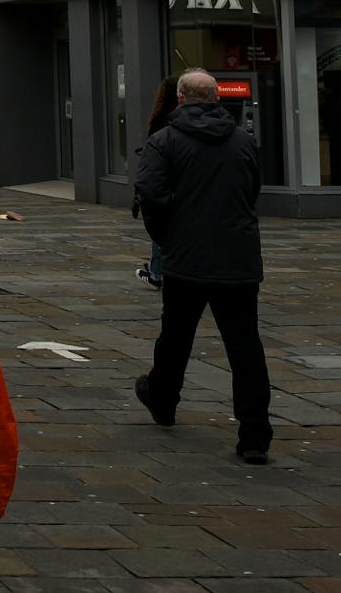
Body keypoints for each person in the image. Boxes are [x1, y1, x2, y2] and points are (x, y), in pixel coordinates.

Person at [133, 68, 272, 464]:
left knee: (176, 336)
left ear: (180, 98)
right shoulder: (243, 140)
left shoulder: (165, 140)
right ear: (216, 98)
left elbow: (150, 193)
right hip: (238, 259)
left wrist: (166, 237)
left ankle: (163, 398)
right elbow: (252, 189)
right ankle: (255, 433)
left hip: (188, 258)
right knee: (245, 347)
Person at [135, 77, 176, 289]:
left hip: (167, 188)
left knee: (161, 229)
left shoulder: (161, 121)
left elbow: (150, 172)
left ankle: (158, 273)